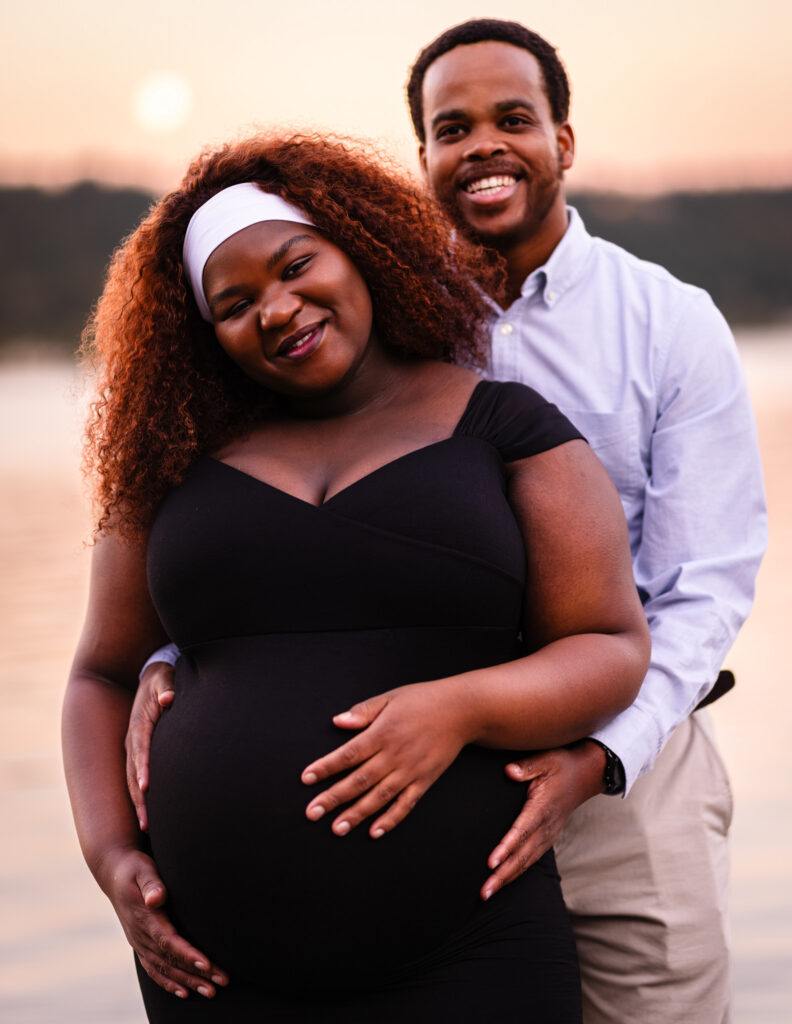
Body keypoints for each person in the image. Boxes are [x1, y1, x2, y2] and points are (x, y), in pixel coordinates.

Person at [127, 17, 767, 1024]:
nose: (481, 145)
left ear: (564, 139)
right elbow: (284, 524)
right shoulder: (374, 310)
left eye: (513, 118)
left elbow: (708, 584)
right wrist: (178, 657)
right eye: (450, 127)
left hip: (626, 770)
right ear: (420, 158)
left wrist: (598, 758)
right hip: (431, 796)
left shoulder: (668, 322)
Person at [62, 132, 650, 1021]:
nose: (278, 308)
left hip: (469, 954)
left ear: (361, 248)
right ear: (204, 331)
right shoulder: (170, 466)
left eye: (298, 264)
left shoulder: (503, 427)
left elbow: (609, 645)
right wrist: (111, 860)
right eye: (234, 302)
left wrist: (460, 708)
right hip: (215, 973)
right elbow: (101, 674)